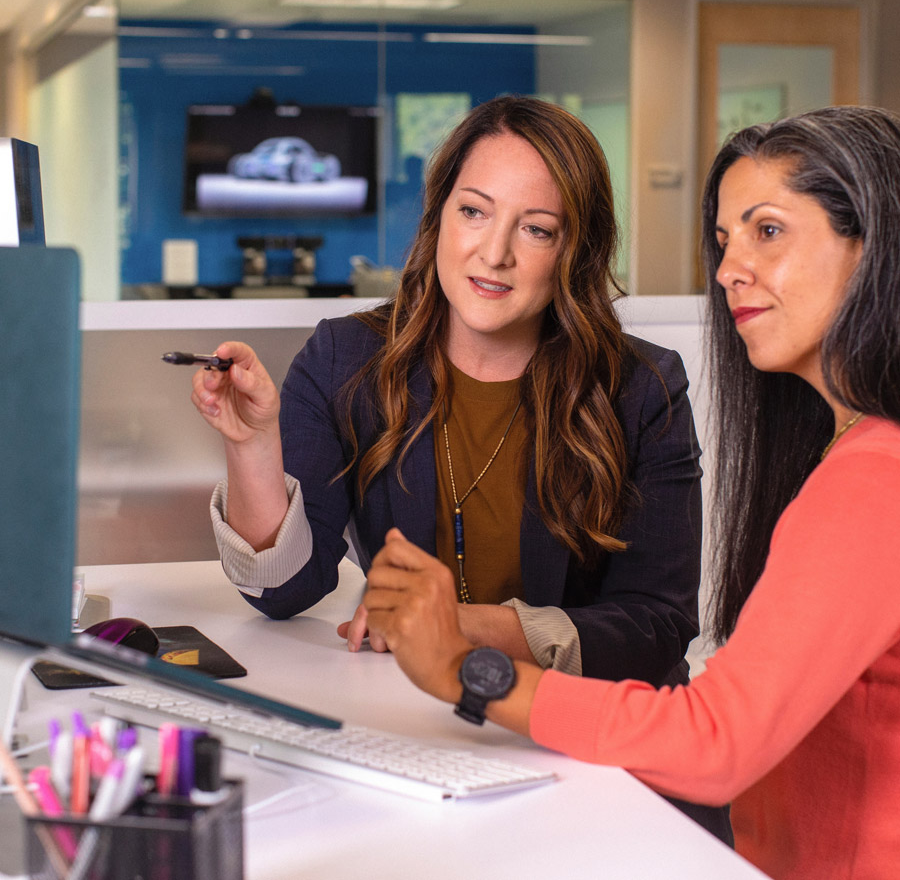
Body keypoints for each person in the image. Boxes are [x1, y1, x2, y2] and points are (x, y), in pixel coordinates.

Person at [362, 104, 900, 880]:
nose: (728, 270)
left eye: (768, 231)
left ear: (874, 245)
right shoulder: (850, 451)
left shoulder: (874, 479)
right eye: (723, 241)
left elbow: (714, 743)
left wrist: (466, 672)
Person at [192, 96, 729, 839]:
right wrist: (251, 444)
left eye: (535, 229)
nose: (494, 253)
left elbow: (658, 625)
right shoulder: (346, 359)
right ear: (439, 215)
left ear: (576, 249)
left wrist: (465, 632)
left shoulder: (642, 386)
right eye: (474, 212)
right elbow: (285, 590)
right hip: (425, 742)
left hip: (596, 755)